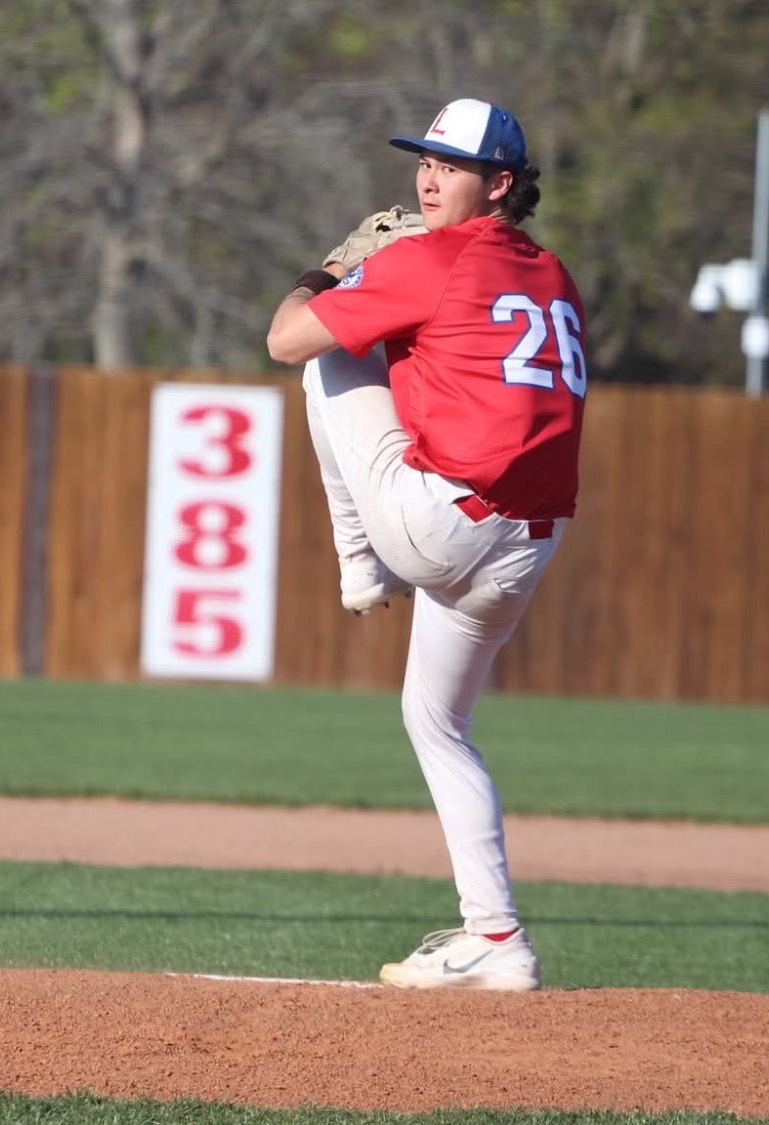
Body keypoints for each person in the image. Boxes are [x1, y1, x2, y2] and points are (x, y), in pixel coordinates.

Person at [266, 97, 587, 991]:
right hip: (528, 542)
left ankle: (358, 561)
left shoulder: (431, 257)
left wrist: (325, 271)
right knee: (437, 721)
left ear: (502, 184)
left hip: (438, 528)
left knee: (327, 354)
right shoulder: (555, 273)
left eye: (453, 165)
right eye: (426, 160)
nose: (429, 176)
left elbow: (284, 337)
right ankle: (497, 942)